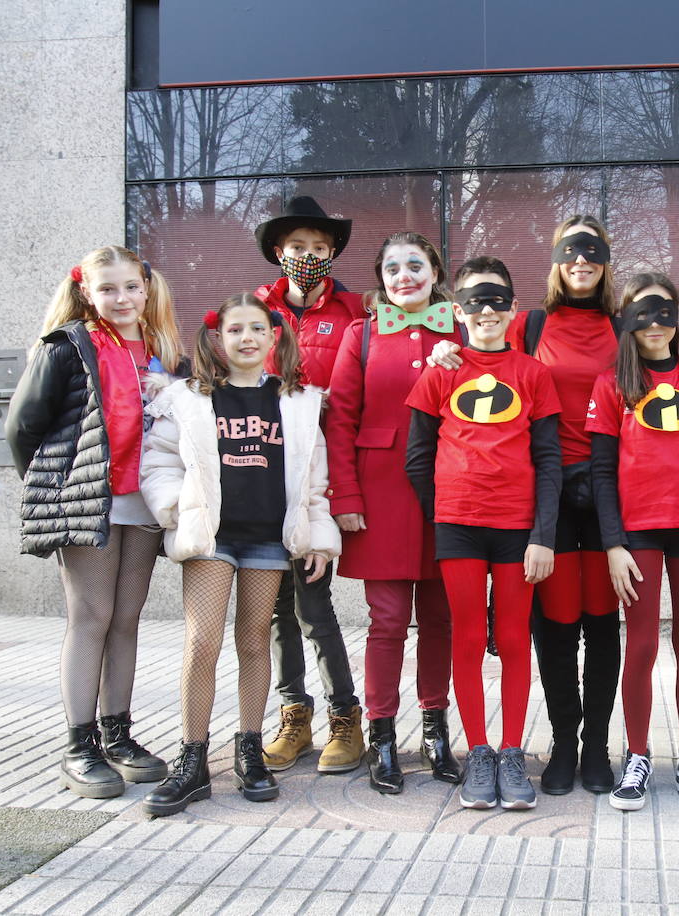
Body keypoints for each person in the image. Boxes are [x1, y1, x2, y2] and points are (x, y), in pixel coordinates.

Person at [427, 216, 679, 796]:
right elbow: (480, 353)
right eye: (570, 250)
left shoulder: (621, 323)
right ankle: (561, 743)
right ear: (556, 259)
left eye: (593, 251)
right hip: (548, 495)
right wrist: (441, 358)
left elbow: (664, 359)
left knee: (602, 626)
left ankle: (597, 748)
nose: (582, 261)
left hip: (610, 496)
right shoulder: (529, 324)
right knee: (555, 626)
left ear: (606, 261)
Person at [139, 294, 339, 816]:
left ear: (274, 336)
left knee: (254, 642)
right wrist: (175, 511)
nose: (246, 338)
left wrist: (318, 537)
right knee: (202, 642)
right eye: (234, 330)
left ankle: (250, 747)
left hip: (269, 539)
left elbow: (313, 482)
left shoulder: (297, 401)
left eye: (256, 328)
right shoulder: (191, 398)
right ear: (217, 338)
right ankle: (192, 758)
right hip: (213, 538)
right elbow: (158, 462)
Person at [6, 246, 183, 799]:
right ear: (87, 291)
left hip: (145, 502)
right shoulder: (66, 346)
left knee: (127, 617)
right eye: (108, 289)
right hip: (92, 501)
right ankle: (79, 746)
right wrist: (57, 494)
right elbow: (23, 427)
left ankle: (119, 736)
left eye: (131, 287)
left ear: (146, 288)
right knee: (92, 617)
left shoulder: (165, 349)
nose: (122, 298)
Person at [406, 257, 562, 810]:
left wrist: (544, 535)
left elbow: (549, 459)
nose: (487, 310)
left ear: (513, 308)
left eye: (497, 299)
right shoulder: (440, 371)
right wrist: (444, 509)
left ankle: (513, 751)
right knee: (468, 640)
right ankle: (478, 752)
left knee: (516, 640)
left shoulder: (533, 374)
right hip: (460, 530)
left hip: (519, 530)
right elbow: (417, 455)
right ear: (458, 310)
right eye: (475, 300)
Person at [324, 231, 463, 793]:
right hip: (379, 494)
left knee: (441, 618)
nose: (403, 276)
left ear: (434, 271)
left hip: (451, 490)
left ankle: (435, 732)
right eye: (391, 268)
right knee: (386, 623)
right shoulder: (361, 334)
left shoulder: (460, 326)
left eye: (414, 265)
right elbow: (340, 420)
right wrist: (346, 498)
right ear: (380, 279)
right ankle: (381, 735)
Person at [586, 272, 679, 811]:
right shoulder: (612, 385)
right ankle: (638, 755)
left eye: (664, 310)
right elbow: (601, 471)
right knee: (642, 644)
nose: (654, 323)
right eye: (642, 312)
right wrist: (614, 543)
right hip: (637, 533)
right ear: (626, 319)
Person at [252, 196, 365, 776]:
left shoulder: (356, 312)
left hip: (320, 474)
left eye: (320, 248)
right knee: (275, 608)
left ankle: (346, 717)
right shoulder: (251, 312)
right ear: (279, 251)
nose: (309, 256)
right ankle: (294, 715)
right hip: (262, 471)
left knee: (313, 603)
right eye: (298, 247)